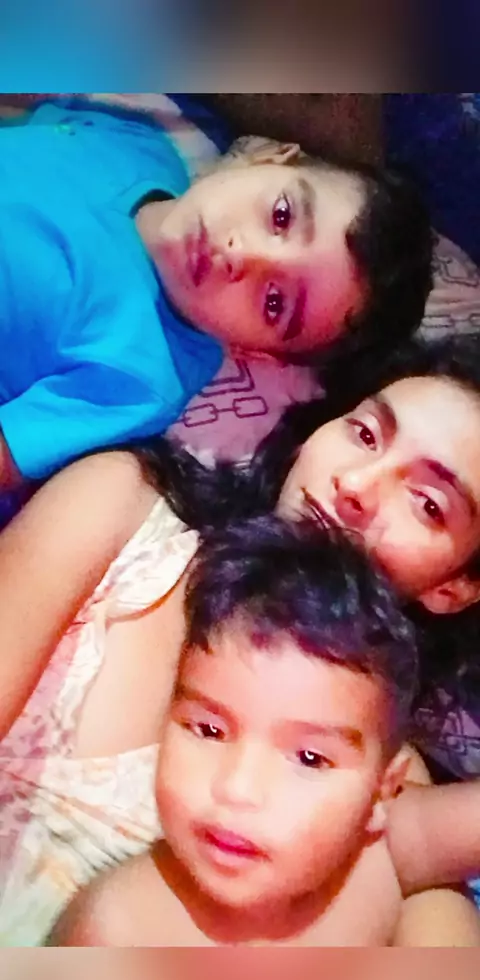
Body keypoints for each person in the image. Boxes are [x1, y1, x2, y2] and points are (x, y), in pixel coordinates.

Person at [3, 332, 480, 945]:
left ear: (454, 588)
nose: (356, 485)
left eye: (427, 503)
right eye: (364, 435)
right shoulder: (123, 508)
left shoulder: (382, 771)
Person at [0, 97, 432, 495]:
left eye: (274, 303)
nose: (241, 254)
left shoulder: (143, 376)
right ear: (269, 158)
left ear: (257, 353)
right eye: (281, 216)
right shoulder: (142, 145)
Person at [49, 515, 421, 946]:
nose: (236, 789)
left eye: (310, 758)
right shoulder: (117, 931)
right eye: (209, 730)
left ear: (381, 793)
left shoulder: (372, 869)